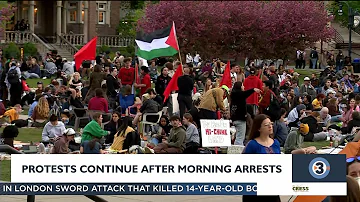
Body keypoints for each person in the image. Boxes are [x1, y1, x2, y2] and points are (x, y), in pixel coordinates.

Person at [242, 114, 281, 202]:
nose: (270, 126)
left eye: (271, 124)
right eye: (266, 125)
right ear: (259, 128)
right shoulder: (252, 144)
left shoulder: (276, 143)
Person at [230, 81, 261, 146]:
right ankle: (237, 151)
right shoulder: (239, 95)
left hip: (234, 118)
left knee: (238, 136)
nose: (244, 87)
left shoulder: (233, 95)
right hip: (240, 118)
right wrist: (253, 89)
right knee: (240, 137)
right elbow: (245, 93)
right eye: (242, 85)